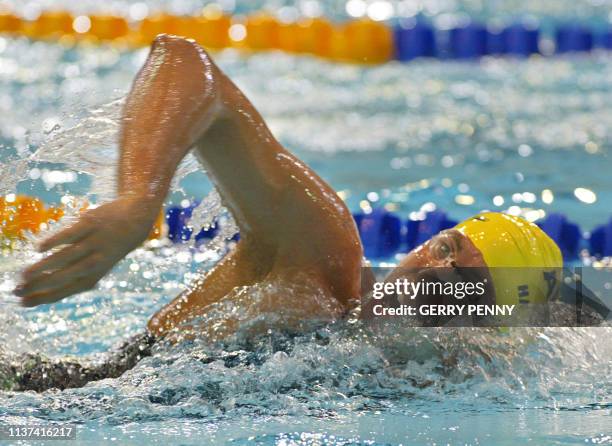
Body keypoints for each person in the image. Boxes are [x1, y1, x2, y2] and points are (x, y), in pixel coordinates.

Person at [8, 35, 604, 391]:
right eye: (446, 247)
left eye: (469, 284)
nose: (437, 273)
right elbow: (187, 64)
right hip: (57, 391)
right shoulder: (322, 263)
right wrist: (139, 200)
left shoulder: (430, 381)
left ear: (482, 337)